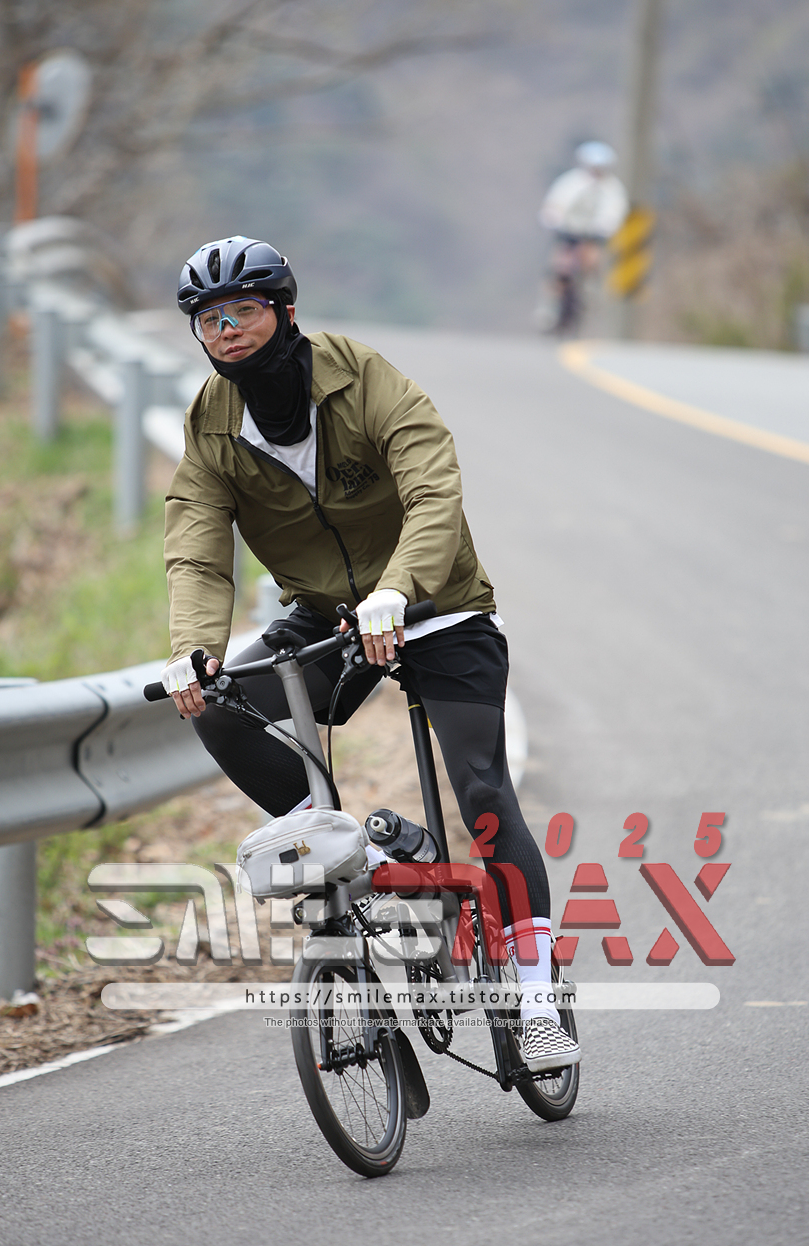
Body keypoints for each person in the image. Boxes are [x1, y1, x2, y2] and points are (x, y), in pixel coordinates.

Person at [161, 235, 580, 1072]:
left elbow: (432, 483)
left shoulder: (360, 376)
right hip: (326, 617)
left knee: (482, 789)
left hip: (439, 606)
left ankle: (537, 1001)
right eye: (209, 319)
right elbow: (198, 547)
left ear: (285, 311)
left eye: (242, 310)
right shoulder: (212, 421)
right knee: (223, 711)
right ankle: (374, 856)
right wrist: (193, 649)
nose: (226, 330)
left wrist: (400, 587)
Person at [538, 141, 628, 336]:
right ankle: (549, 307)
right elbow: (555, 203)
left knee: (592, 261)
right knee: (561, 266)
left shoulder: (612, 188)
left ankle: (589, 292)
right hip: (569, 231)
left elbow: (614, 212)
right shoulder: (571, 182)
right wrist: (553, 218)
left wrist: (605, 227)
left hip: (593, 235)